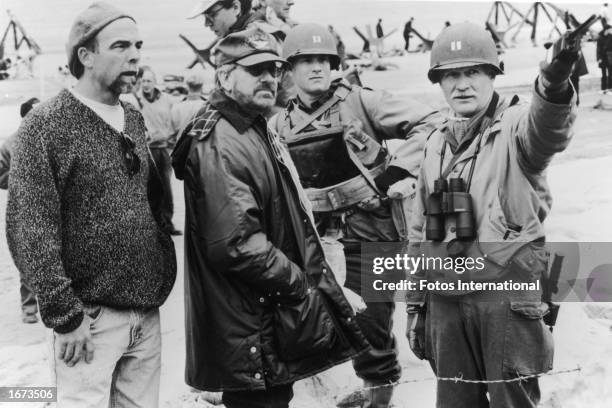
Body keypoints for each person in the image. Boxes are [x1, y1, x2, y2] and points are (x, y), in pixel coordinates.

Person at [171, 27, 369, 408]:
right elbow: (236, 244)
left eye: (274, 70)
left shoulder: (250, 126)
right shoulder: (221, 139)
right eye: (256, 70)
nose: (269, 79)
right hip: (250, 326)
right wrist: (304, 285)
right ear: (225, 76)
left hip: (261, 320)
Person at [5, 3, 177, 407]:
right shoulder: (45, 126)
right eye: (120, 45)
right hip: (88, 323)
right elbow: (30, 229)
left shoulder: (133, 118)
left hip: (145, 315)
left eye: (138, 45)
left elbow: (147, 204)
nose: (135, 55)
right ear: (85, 55)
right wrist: (66, 318)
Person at [405, 22, 577, 407]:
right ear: (439, 81)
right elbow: (418, 231)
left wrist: (554, 82)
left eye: (472, 72)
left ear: (492, 75)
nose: (461, 84)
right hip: (445, 300)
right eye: (451, 74)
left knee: (510, 402)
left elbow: (548, 130)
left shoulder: (517, 128)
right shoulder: (435, 143)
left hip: (505, 295)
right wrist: (416, 307)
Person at [271, 23, 440, 408]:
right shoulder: (278, 125)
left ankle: (379, 400)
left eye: (324, 61)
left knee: (371, 322)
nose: (317, 68)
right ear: (289, 70)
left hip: (373, 229)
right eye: (306, 61)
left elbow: (433, 123)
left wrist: (397, 170)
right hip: (320, 239)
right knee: (320, 318)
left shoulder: (362, 102)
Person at [0, 97, 40, 324]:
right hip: (23, 209)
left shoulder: (55, 139)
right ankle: (29, 308)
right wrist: (17, 181)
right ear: (25, 117)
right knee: (26, 258)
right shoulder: (10, 144)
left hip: (54, 208)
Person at [140, 66, 182, 235]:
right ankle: (151, 225)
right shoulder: (136, 100)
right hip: (146, 149)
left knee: (165, 186)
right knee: (147, 187)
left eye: (149, 81)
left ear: (155, 83)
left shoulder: (167, 100)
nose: (145, 84)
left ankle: (167, 223)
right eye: (143, 81)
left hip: (163, 150)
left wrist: (172, 139)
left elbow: (176, 120)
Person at [596, 23, 612, 92]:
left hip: (610, 57)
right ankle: (603, 88)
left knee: (611, 73)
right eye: (610, 29)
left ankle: (610, 88)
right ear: (606, 29)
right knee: (604, 74)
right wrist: (599, 58)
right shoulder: (600, 38)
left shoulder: (611, 36)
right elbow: (598, 49)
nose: (611, 30)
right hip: (602, 58)